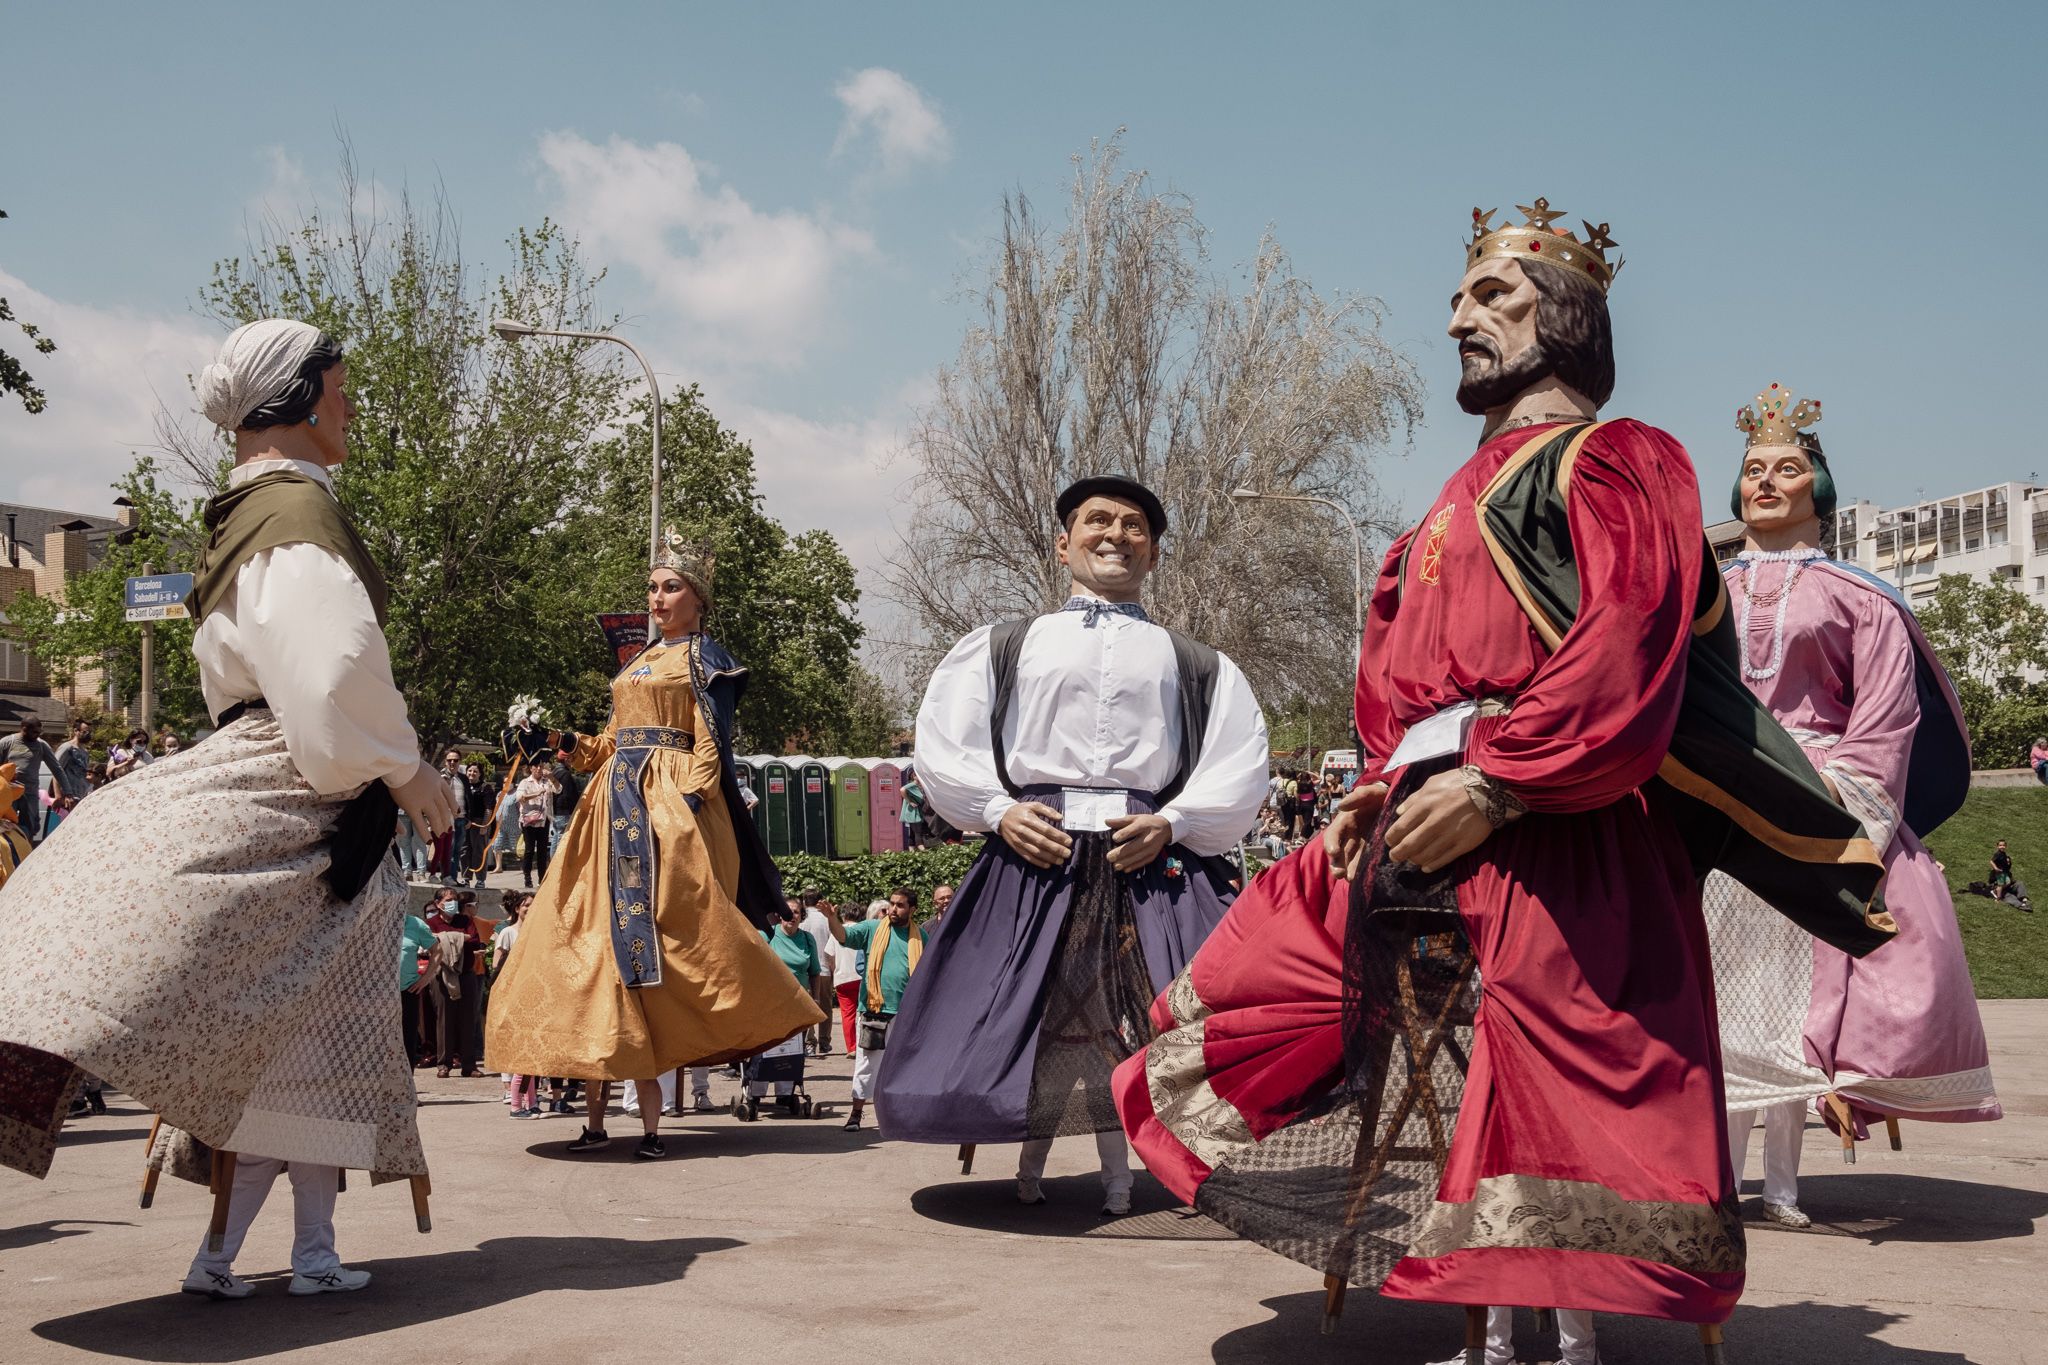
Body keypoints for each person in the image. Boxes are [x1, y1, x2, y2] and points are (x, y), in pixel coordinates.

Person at [1114, 204, 1895, 1349]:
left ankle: (1562, 1333)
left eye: (1489, 295)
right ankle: (1477, 1307)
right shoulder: (1442, 500)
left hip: (1560, 818)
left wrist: (1501, 783)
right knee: (1261, 974)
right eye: (1459, 296)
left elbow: (1627, 642)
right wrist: (1378, 782)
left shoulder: (1619, 459)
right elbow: (1393, 671)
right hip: (1420, 815)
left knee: (1550, 1055)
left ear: (1564, 313)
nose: (1455, 316)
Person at [0, 318, 455, 1299]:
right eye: (339, 384)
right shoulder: (294, 514)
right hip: (305, 796)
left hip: (264, 768)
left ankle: (264, 1257)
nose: (351, 402)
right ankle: (304, 1259)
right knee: (322, 1047)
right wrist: (408, 772)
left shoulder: (244, 514)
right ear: (293, 400)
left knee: (288, 1051)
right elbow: (329, 679)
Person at [887, 474, 1270, 1214]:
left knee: (1181, 1014)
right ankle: (1036, 1156)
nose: (1115, 534)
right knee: (1018, 1013)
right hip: (1037, 853)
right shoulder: (1009, 643)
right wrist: (999, 811)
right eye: (1098, 520)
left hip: (1148, 858)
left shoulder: (1198, 663)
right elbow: (944, 742)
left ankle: (1181, 1164)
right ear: (1063, 543)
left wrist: (1176, 822)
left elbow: (1239, 764)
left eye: (1134, 526)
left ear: (1154, 553)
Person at [1705, 386, 1999, 1231]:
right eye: (1753, 469)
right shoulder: (1707, 593)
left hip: (1818, 801)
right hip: (1729, 804)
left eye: (1786, 468)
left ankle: (1786, 1184)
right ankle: (1720, 1181)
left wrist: (1843, 796)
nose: (1766, 481)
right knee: (1726, 1006)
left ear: (1816, 488)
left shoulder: (1860, 594)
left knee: (1799, 1008)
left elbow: (1886, 713)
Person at [485, 531, 822, 1160]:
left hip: (667, 804)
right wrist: (554, 742)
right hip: (613, 803)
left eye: (671, 587)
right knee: (585, 930)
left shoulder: (704, 658)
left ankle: (718, 1027)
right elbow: (609, 744)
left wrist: (685, 807)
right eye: (653, 586)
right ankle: (599, 1061)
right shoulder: (635, 662)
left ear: (698, 599)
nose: (657, 597)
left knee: (673, 934)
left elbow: (709, 744)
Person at [827, 888, 927, 1132]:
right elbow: (843, 937)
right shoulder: (873, 928)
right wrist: (831, 918)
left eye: (900, 905)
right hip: (874, 1012)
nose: (893, 909)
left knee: (903, 1068)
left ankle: (897, 1116)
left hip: (906, 1015)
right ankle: (856, 1114)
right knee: (866, 1066)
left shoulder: (921, 936)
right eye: (892, 904)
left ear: (912, 909)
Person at [759, 901, 825, 1110]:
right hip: (769, 1002)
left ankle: (785, 1092)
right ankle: (756, 1090)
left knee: (792, 1048)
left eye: (796, 912)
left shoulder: (807, 939)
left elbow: (814, 971)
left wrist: (815, 998)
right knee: (765, 1046)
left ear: (801, 916)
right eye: (787, 913)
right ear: (779, 915)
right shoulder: (768, 936)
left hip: (797, 1003)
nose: (791, 916)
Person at [429, 889, 485, 1077]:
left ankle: (469, 1065)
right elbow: (428, 943)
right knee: (445, 1019)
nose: (452, 903)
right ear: (438, 904)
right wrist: (459, 938)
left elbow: (475, 941)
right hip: (442, 975)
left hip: (465, 974)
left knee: (468, 1018)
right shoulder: (431, 923)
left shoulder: (465, 921)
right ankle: (444, 1064)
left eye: (454, 900)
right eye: (448, 900)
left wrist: (445, 938)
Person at [1, 717, 60, 843]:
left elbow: (56, 768)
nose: (37, 735)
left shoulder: (41, 745)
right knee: (7, 822)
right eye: (35, 732)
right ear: (24, 729)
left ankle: (27, 849)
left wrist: (68, 791)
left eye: (40, 732)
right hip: (10, 791)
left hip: (30, 792)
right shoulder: (8, 742)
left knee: (31, 824)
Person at [797, 891, 837, 1055]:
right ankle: (824, 1041)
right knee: (825, 1006)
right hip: (825, 967)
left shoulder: (801, 920)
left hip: (806, 969)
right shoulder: (826, 920)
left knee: (808, 1006)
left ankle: (809, 1041)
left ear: (805, 902)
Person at [399, 905, 436, 1070]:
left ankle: (407, 1083)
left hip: (407, 990)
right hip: (379, 991)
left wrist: (425, 979)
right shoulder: (377, 920)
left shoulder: (415, 924)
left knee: (408, 1038)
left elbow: (437, 951)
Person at [513, 763, 559, 888]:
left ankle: (542, 878)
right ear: (530, 768)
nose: (538, 769)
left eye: (541, 766)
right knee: (529, 850)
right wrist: (537, 793)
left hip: (544, 820)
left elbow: (559, 789)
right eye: (535, 766)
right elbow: (519, 798)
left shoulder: (547, 781)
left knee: (542, 851)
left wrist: (552, 778)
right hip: (529, 820)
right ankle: (527, 878)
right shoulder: (525, 782)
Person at [433, 748, 469, 884]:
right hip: (446, 819)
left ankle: (453, 878)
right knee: (446, 850)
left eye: (455, 760)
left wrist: (468, 818)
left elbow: (467, 799)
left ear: (460, 762)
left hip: (461, 819)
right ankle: (446, 877)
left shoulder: (463, 779)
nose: (452, 763)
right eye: (449, 760)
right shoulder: (439, 777)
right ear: (445, 762)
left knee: (457, 851)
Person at [51, 719, 92, 807]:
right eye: (84, 732)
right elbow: (56, 770)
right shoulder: (67, 748)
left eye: (89, 732)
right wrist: (58, 796)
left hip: (81, 796)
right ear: (76, 731)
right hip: (68, 797)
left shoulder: (85, 751)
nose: (87, 734)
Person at [899, 767, 928, 850]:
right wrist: (909, 802)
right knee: (918, 832)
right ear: (913, 776)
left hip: (914, 812)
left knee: (912, 833)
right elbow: (902, 789)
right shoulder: (913, 784)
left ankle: (911, 852)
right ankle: (922, 849)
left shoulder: (919, 786)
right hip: (913, 813)